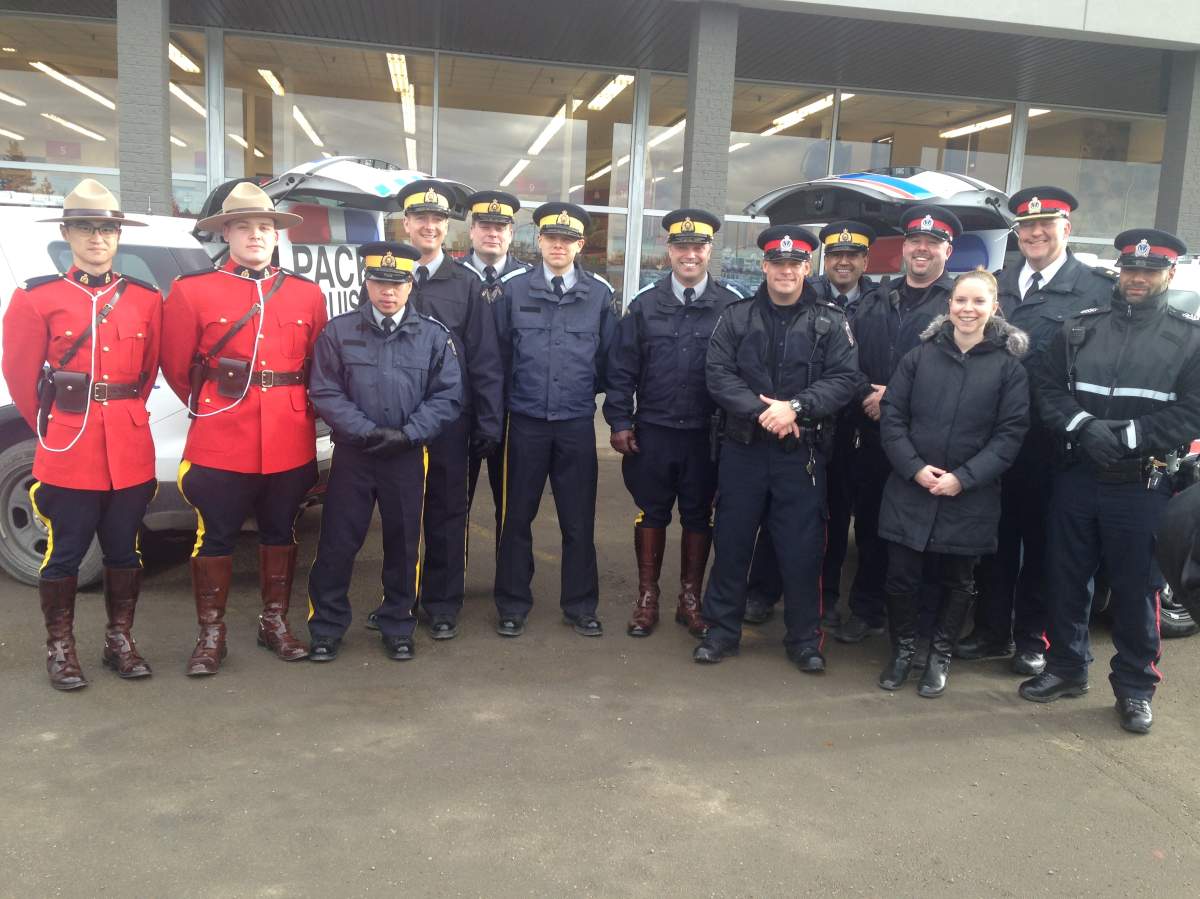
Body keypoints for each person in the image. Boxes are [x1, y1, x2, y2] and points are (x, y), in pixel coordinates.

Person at [1023, 228, 1200, 734]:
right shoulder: (1081, 328)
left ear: (1168, 274)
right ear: (1119, 274)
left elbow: (1193, 412)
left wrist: (1128, 438)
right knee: (1066, 578)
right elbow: (1048, 388)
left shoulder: (1190, 338)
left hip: (1141, 483)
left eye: (1148, 271)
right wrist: (1083, 427)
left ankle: (1135, 687)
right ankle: (1066, 669)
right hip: (1077, 473)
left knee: (1136, 589)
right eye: (1130, 270)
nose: (1137, 279)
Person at [161, 182, 328, 676]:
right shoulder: (193, 291)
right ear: (226, 233)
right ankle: (211, 634)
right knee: (215, 536)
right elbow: (175, 365)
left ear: (276, 235)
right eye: (244, 227)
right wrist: (215, 404)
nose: (255, 235)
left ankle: (273, 623)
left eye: (264, 227)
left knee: (282, 531)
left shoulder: (306, 293)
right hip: (221, 436)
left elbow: (318, 365)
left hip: (287, 436)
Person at [1, 179, 160, 690]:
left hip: (129, 445)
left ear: (118, 237)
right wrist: (57, 424)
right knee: (66, 551)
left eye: (107, 229)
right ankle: (61, 647)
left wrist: (121, 411)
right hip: (69, 445)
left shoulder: (144, 299)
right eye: (87, 228)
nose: (98, 238)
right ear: (68, 233)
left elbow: (149, 369)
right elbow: (22, 376)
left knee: (124, 550)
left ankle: (119, 640)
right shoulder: (36, 297)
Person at [960, 187, 1115, 676]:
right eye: (1026, 226)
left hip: (1054, 444)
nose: (1035, 233)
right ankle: (989, 630)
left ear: (1066, 228)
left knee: (1046, 547)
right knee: (995, 539)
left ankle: (1033, 637)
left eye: (1046, 224)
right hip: (993, 439)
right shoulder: (998, 283)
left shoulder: (1095, 288)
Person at [694, 225, 859, 670]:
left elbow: (845, 379)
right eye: (777, 263)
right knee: (731, 543)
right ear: (764, 266)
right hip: (743, 449)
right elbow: (718, 374)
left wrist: (797, 408)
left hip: (800, 454)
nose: (786, 271)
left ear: (807, 267)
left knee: (802, 550)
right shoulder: (736, 316)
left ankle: (804, 640)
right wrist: (763, 412)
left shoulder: (830, 320)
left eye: (795, 264)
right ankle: (721, 632)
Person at [305, 242, 462, 662]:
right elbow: (324, 390)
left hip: (407, 456)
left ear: (411, 285)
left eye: (397, 283)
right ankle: (326, 626)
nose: (387, 291)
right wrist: (365, 431)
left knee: (403, 543)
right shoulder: (338, 332)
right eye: (379, 281)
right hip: (355, 456)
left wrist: (410, 435)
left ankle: (397, 623)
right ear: (366, 282)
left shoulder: (432, 336)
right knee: (337, 543)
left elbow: (447, 396)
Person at [876, 270, 1030, 696]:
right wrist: (915, 468)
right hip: (912, 488)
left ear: (994, 308)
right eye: (961, 300)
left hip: (970, 496)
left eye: (979, 302)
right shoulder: (919, 357)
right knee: (901, 577)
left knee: (958, 581)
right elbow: (892, 417)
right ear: (949, 305)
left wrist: (964, 478)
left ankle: (939, 654)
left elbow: (1010, 435)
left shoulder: (1008, 369)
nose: (968, 309)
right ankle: (904, 650)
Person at [603, 208, 744, 638]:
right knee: (652, 514)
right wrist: (619, 420)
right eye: (681, 247)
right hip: (655, 431)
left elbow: (744, 371)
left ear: (709, 251)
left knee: (700, 517)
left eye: (698, 247)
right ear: (668, 250)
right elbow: (622, 369)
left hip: (707, 435)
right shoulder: (645, 305)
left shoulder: (731, 304)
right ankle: (648, 598)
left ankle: (690, 598)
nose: (689, 255)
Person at [492, 202, 619, 637]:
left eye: (568, 239)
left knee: (578, 520)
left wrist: (581, 395)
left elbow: (608, 362)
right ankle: (511, 604)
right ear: (539, 241)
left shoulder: (600, 294)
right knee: (516, 518)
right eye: (551, 238)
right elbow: (499, 358)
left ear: (580, 244)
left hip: (575, 425)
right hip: (524, 422)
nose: (558, 245)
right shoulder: (513, 290)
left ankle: (581, 605)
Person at [743, 220, 876, 629]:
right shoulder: (804, 292)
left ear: (864, 261)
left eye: (852, 256)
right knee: (779, 514)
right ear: (822, 259)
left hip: (862, 426)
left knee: (837, 519)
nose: (843, 262)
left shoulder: (882, 302)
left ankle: (828, 597)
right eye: (835, 254)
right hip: (801, 430)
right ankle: (765, 590)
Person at [839, 205, 962, 646]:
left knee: (917, 537)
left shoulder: (956, 305)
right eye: (915, 242)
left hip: (924, 441)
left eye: (933, 243)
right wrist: (865, 394)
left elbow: (957, 372)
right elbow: (844, 361)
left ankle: (914, 627)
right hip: (871, 437)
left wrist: (891, 395)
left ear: (948, 250)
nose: (922, 249)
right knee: (870, 526)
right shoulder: (874, 300)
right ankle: (865, 610)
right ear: (904, 248)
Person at [392, 179, 503, 640]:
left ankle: (441, 603)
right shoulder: (386, 276)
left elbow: (485, 358)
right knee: (399, 516)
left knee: (446, 512)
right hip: (396, 422)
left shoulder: (467, 284)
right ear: (407, 223)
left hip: (450, 422)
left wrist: (489, 420)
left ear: (446, 227)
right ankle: (397, 599)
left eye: (438, 220)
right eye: (421, 218)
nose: (429, 226)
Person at [460, 189, 531, 544]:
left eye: (500, 226)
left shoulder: (529, 282)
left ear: (511, 233)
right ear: (471, 231)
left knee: (512, 506)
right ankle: (449, 585)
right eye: (485, 225)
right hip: (460, 410)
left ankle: (510, 584)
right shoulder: (452, 278)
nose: (493, 233)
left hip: (513, 411)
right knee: (454, 506)